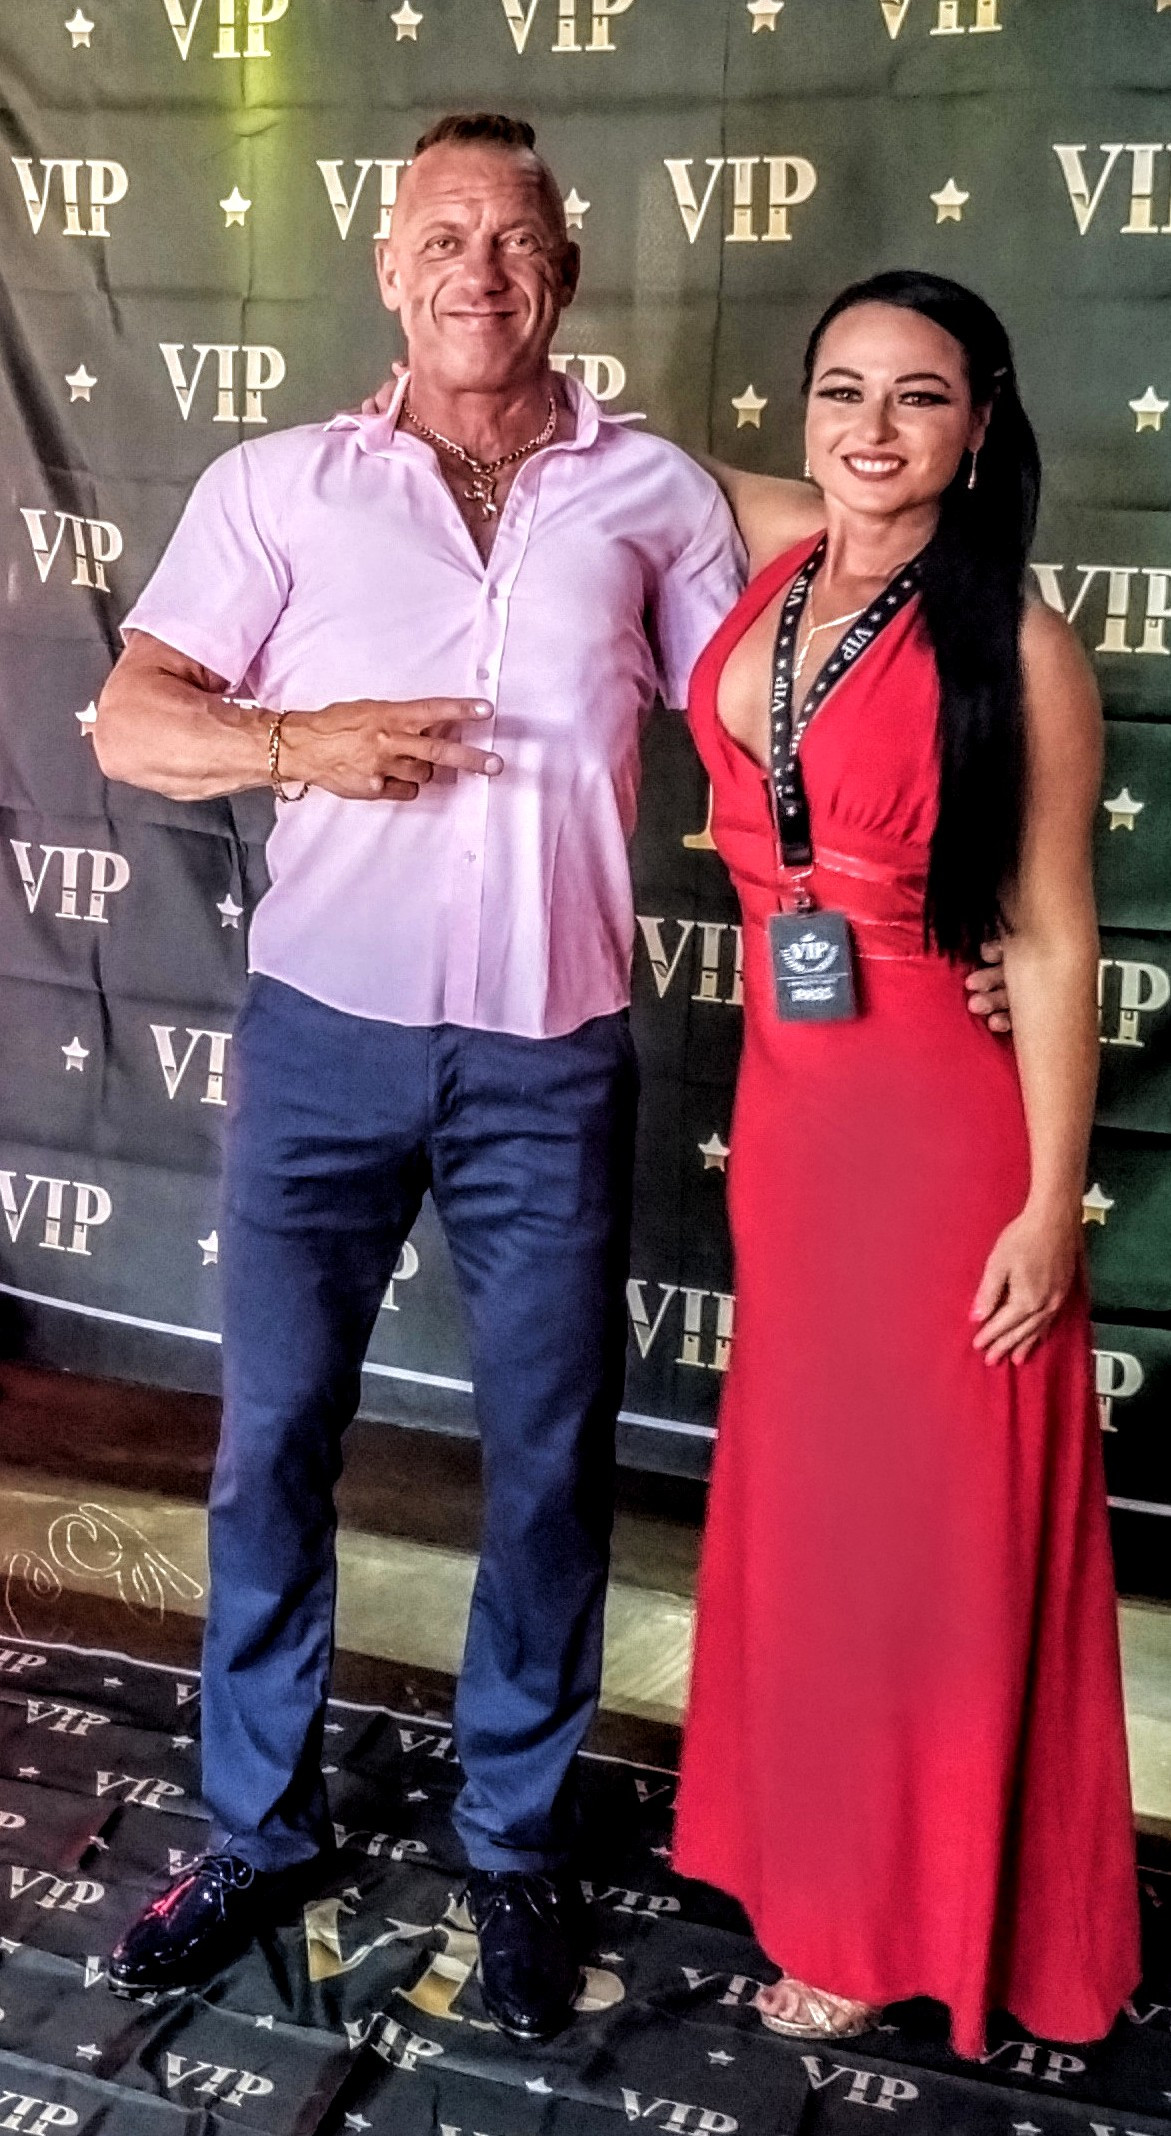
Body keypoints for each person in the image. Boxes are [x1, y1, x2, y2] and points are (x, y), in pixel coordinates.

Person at [93, 109, 1008, 2041]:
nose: (478, 272)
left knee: (547, 1464)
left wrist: (971, 914)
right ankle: (258, 1825)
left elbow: (848, 613)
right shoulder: (280, 484)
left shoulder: (652, 494)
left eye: (514, 241)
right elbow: (132, 722)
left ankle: (513, 1843)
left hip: (551, 1059)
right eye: (442, 237)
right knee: (273, 1440)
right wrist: (299, 743)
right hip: (323, 1042)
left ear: (565, 276)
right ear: (386, 267)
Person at [671, 271, 1140, 2059]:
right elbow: (633, 461)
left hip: (943, 1139)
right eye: (842, 390)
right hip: (798, 1125)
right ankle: (816, 1857)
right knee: (818, 1522)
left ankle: (895, 1916)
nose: (874, 429)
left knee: (916, 1541)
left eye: (921, 397)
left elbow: (1053, 935)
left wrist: (1045, 1204)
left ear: (984, 424)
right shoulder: (787, 553)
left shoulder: (1019, 648)